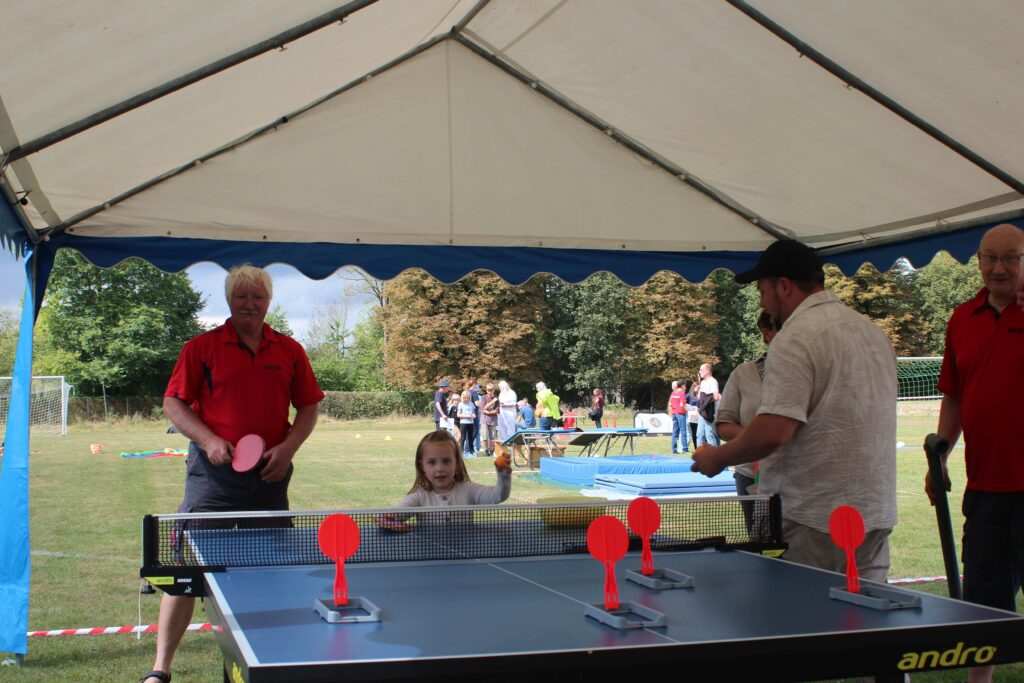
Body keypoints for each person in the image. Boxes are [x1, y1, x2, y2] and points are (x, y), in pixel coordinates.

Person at [142, 265, 323, 683]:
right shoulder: (201, 347)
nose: (250, 303)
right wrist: (208, 440)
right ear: (229, 300)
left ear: (268, 302)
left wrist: (288, 449)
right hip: (213, 477)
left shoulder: (290, 350)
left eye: (257, 296)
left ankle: (270, 658)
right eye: (242, 296)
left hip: (270, 475)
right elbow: (173, 403)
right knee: (187, 571)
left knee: (272, 570)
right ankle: (160, 669)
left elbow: (309, 405)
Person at [692, 239, 897, 584]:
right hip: (874, 512)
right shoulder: (871, 332)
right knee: (865, 613)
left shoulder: (795, 337)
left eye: (762, 291)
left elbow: (774, 430)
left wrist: (718, 457)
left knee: (803, 614)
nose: (762, 302)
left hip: (815, 516)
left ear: (784, 286)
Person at [924, 223, 1024, 683]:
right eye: (990, 257)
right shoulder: (963, 318)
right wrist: (941, 456)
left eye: (1011, 258)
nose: (999, 268)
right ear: (979, 260)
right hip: (985, 488)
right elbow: (955, 395)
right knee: (982, 604)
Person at [376, 431, 512, 530]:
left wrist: (503, 475)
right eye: (432, 462)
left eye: (446, 461)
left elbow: (497, 496)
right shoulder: (418, 497)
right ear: (422, 466)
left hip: (465, 556)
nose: (440, 468)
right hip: (429, 556)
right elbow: (394, 516)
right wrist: (388, 518)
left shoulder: (469, 490)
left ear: (457, 463)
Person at [716, 310, 779, 510]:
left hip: (799, 476)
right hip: (751, 475)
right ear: (767, 333)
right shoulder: (743, 374)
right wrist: (756, 438)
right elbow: (723, 425)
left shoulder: (809, 369)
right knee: (758, 532)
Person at [695, 363, 721, 447]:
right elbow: (699, 397)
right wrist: (696, 392)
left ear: (708, 370)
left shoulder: (712, 381)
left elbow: (716, 396)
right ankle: (700, 453)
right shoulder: (703, 382)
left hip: (710, 412)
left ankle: (714, 454)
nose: (700, 372)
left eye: (701, 370)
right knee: (699, 435)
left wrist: (706, 400)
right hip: (703, 412)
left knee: (709, 435)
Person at [668, 380, 688, 453]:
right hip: (681, 414)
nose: (685, 387)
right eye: (685, 385)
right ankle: (685, 449)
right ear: (682, 386)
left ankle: (674, 449)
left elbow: (670, 404)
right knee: (683, 432)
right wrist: (688, 409)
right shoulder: (682, 393)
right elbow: (682, 405)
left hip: (674, 413)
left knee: (675, 432)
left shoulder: (673, 393)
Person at [456, 390, 477, 458]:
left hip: (470, 423)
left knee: (470, 438)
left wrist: (474, 415)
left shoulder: (471, 404)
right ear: (462, 397)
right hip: (463, 423)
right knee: (463, 438)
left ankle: (471, 451)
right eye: (465, 398)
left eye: (467, 398)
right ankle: (461, 452)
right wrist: (466, 416)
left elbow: (473, 413)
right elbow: (458, 415)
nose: (466, 399)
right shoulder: (460, 404)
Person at [481, 383, 500, 456]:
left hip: (493, 419)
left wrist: (488, 412)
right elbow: (483, 408)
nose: (490, 391)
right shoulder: (484, 397)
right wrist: (492, 402)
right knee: (484, 436)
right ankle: (486, 450)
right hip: (484, 419)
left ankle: (492, 450)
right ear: (486, 390)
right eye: (488, 390)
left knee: (493, 436)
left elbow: (496, 411)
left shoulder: (496, 398)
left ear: (493, 390)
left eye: (491, 390)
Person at [686, 380, 700, 448]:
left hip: (700, 416)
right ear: (694, 387)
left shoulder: (700, 395)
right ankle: (696, 447)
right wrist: (691, 408)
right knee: (694, 433)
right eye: (698, 388)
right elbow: (683, 403)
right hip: (692, 418)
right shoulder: (689, 395)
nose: (699, 389)